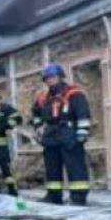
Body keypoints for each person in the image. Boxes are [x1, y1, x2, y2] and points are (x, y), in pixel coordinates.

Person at [31, 63, 92, 205]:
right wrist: (38, 126)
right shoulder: (43, 98)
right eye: (47, 78)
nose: (49, 80)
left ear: (60, 77)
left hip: (69, 133)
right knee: (52, 167)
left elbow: (83, 114)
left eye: (52, 77)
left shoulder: (73, 94)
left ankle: (78, 198)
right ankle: (53, 196)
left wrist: (81, 134)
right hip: (51, 134)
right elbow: (35, 114)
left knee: (75, 166)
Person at [0, 101, 22, 196]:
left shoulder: (4, 107)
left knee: (6, 169)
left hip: (1, 144)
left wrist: (7, 125)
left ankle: (13, 191)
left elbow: (18, 118)